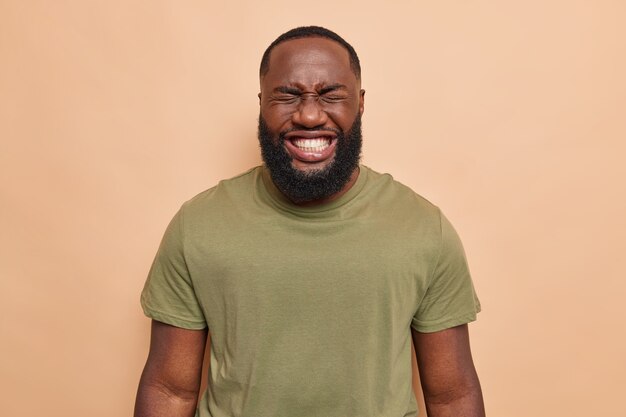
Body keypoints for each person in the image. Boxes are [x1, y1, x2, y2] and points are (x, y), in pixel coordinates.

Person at [134, 26, 485, 417]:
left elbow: (451, 395)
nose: (310, 114)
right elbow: (169, 389)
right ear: (262, 103)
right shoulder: (198, 225)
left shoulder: (423, 230)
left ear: (361, 103)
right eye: (287, 95)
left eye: (331, 94)